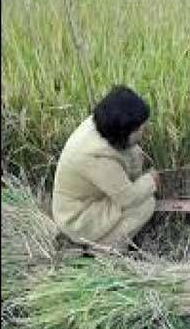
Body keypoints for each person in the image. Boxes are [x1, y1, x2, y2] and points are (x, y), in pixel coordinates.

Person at [52, 85, 160, 253]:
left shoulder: (102, 124)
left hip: (83, 201)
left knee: (136, 153)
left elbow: (130, 155)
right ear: (124, 132)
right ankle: (105, 248)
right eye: (140, 129)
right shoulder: (97, 158)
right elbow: (128, 199)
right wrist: (151, 180)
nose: (143, 132)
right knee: (146, 204)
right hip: (77, 218)